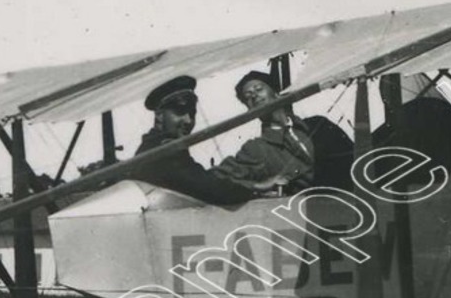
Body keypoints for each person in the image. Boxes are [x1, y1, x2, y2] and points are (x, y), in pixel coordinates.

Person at [123, 76, 258, 206]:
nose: (188, 121)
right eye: (180, 112)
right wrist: (256, 187)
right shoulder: (162, 153)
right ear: (159, 116)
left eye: (192, 113)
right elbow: (211, 189)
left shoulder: (154, 146)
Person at [213, 70, 355, 193]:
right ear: (249, 110)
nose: (254, 95)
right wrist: (257, 185)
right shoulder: (256, 149)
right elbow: (218, 177)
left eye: (258, 89)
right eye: (248, 97)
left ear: (276, 93)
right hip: (312, 216)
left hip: (359, 201)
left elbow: (357, 157)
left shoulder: (319, 124)